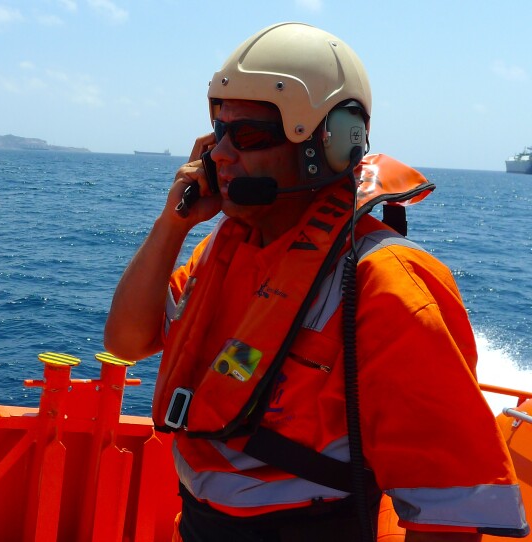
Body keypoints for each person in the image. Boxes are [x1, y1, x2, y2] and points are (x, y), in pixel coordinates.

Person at [103, 22, 528, 542]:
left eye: (250, 135)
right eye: (218, 133)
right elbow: (126, 342)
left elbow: (448, 509)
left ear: (330, 145)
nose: (219, 155)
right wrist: (174, 223)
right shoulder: (224, 249)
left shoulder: (386, 284)